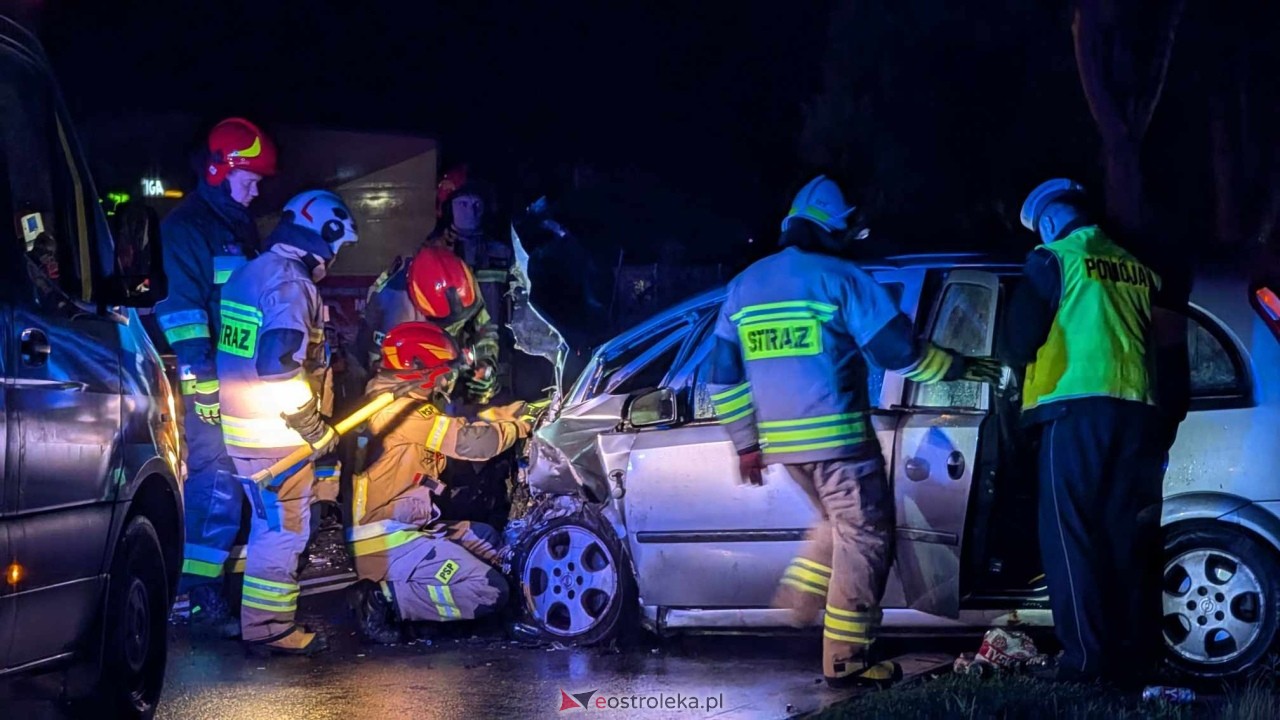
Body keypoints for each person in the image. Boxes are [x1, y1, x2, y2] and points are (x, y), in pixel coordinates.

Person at [706, 175, 1002, 688]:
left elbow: (723, 378)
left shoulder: (745, 285)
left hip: (785, 447)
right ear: (832, 229)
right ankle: (847, 658)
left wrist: (746, 444)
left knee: (836, 524)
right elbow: (900, 355)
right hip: (840, 443)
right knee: (864, 539)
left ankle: (800, 599)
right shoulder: (840, 278)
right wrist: (964, 368)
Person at [998, 179, 1165, 685]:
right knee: (1120, 539)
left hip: (1073, 409)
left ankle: (1085, 659)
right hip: (1136, 413)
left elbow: (1018, 338)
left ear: (1047, 223)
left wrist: (1008, 371)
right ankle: (1128, 655)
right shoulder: (1134, 265)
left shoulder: (1054, 258)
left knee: (1069, 536)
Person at [216, 189, 359, 655]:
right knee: (283, 533)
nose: (335, 258)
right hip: (279, 435)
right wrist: (313, 426)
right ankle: (270, 630)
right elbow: (278, 367)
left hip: (245, 431)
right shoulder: (291, 285)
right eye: (336, 247)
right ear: (323, 237)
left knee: (267, 530)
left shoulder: (248, 274)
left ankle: (259, 625)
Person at [154, 117, 277, 637]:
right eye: (248, 178)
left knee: (236, 478)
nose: (256, 190)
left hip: (239, 378)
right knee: (215, 482)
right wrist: (201, 382)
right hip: (208, 380)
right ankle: (192, 596)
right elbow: (182, 311)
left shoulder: (234, 225)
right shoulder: (187, 228)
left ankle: (209, 586)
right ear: (217, 170)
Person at [346, 322, 534, 643]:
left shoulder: (403, 404)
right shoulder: (398, 411)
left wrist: (515, 412)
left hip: (408, 527)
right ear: (419, 369)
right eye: (443, 371)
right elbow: (474, 443)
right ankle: (383, 599)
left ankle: (423, 594)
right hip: (388, 541)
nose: (448, 379)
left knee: (488, 539)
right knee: (488, 590)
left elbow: (466, 424)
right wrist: (519, 428)